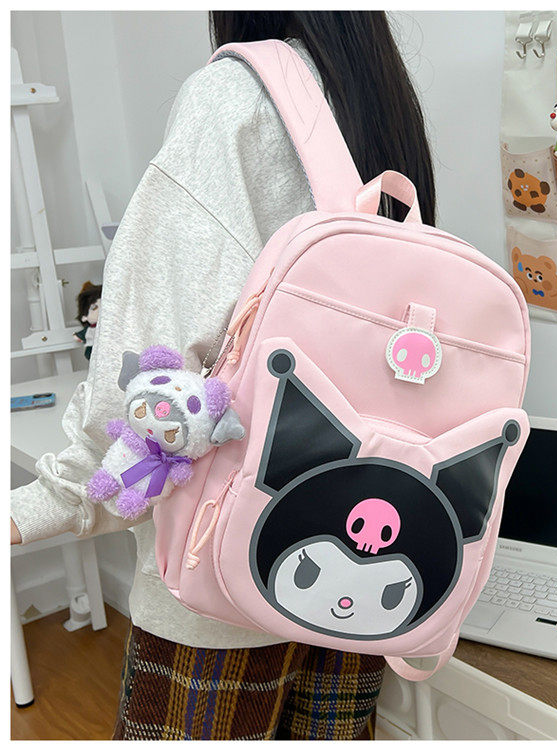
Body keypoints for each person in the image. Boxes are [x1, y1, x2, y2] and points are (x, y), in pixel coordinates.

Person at [10, 11, 435, 741]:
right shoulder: (378, 98)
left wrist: (58, 496)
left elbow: (150, 371)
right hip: (364, 571)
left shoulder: (236, 97)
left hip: (221, 580)